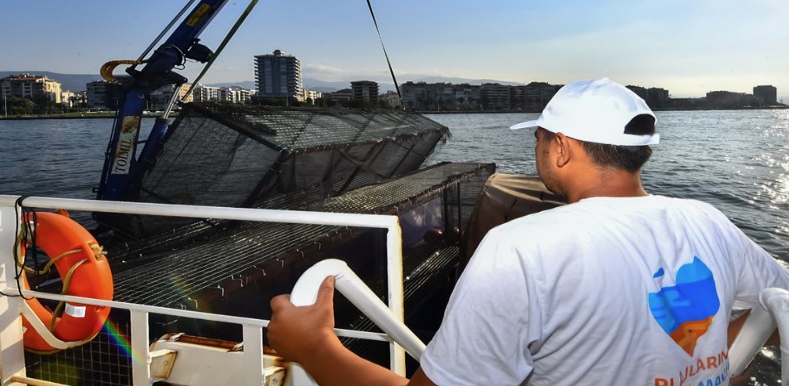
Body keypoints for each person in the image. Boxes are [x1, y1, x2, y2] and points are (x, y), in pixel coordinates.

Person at [267, 78, 789, 385]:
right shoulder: (710, 221)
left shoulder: (520, 250)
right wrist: (725, 368)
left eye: (539, 140)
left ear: (560, 147)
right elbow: (774, 294)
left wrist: (314, 346)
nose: (536, 153)